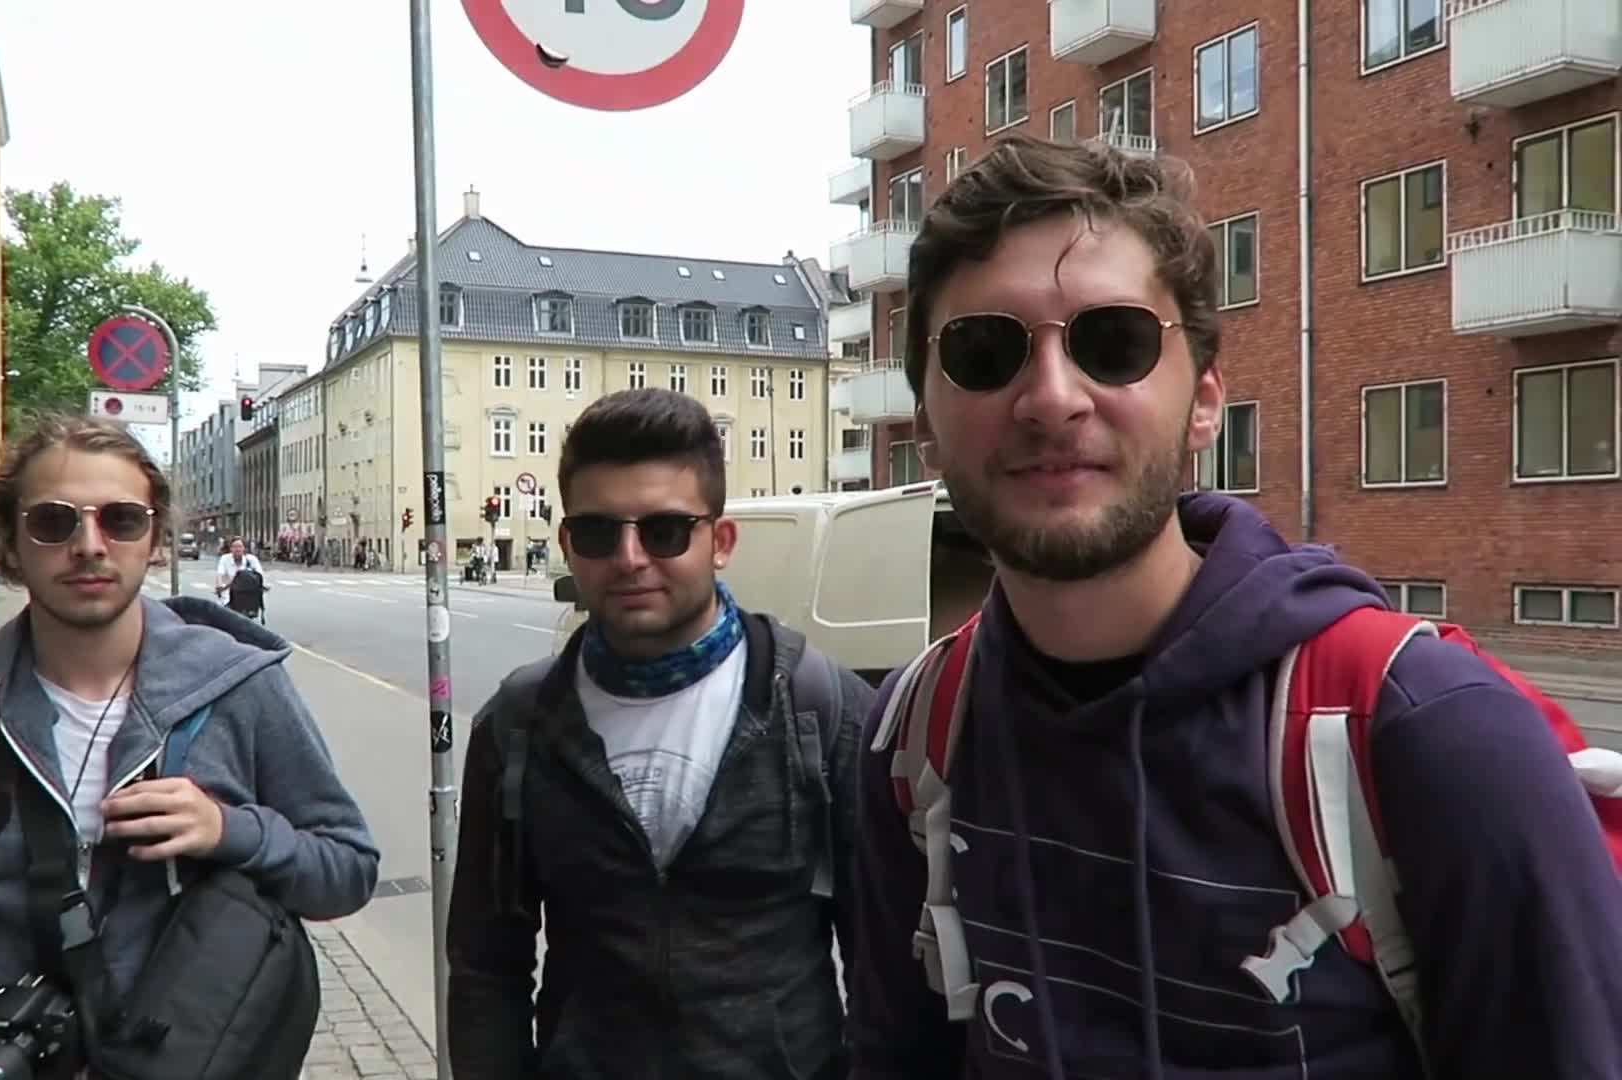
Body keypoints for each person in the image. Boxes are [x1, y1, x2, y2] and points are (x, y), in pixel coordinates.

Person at [847, 133, 1622, 1079]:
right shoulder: (914, 738)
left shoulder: (1429, 734)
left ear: (1205, 398)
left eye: (1115, 343)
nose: (1052, 399)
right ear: (923, 421)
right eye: (982, 351)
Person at [0, 415, 380, 1079]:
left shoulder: (240, 689)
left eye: (121, 520)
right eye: (55, 522)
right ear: (8, 541)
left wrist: (232, 830)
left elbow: (345, 871)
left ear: (153, 540)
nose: (90, 545)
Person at [447, 388, 875, 1079]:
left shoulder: (823, 710)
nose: (629, 557)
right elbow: (484, 969)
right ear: (567, 544)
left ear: (722, 541)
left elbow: (882, 967)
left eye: (665, 531)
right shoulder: (518, 726)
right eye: (597, 532)